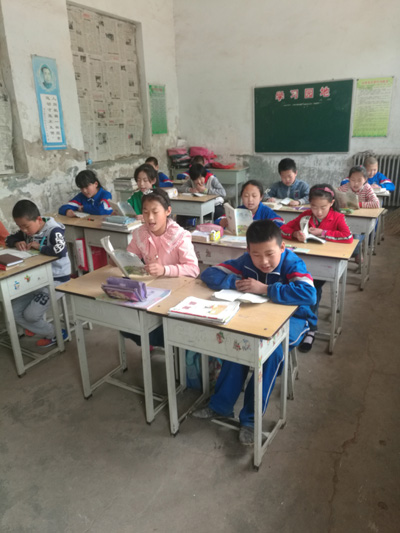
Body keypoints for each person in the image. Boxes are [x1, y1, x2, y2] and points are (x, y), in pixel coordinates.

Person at [192, 219, 317, 445]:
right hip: (258, 318)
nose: (264, 262)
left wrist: (266, 289)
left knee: (270, 353)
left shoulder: (291, 263)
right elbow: (209, 274)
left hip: (295, 319)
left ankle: (250, 420)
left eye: (270, 254)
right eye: (257, 255)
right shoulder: (247, 261)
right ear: (248, 251)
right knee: (238, 344)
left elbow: (309, 294)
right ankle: (221, 406)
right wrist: (235, 282)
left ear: (282, 247)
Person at [123, 188, 199, 347]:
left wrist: (165, 270)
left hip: (176, 293)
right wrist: (119, 259)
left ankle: (169, 347)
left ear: (167, 211)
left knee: (163, 331)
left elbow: (193, 269)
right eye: (145, 212)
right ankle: (153, 341)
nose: (150, 218)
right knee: (126, 322)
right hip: (152, 291)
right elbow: (130, 255)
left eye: (155, 212)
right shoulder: (141, 233)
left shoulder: (180, 236)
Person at [281, 184, 353, 352]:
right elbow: (283, 229)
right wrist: (295, 234)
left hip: (324, 264)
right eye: (314, 207)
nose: (318, 212)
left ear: (331, 203)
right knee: (292, 284)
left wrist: (323, 233)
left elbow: (348, 237)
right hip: (304, 262)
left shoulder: (337, 217)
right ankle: (297, 322)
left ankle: (311, 329)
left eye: (323, 207)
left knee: (311, 290)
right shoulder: (306, 215)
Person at [6, 200, 70, 347]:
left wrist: (40, 247)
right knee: (13, 311)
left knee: (30, 315)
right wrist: (16, 242)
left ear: (39, 219)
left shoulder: (53, 230)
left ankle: (56, 333)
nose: (24, 231)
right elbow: (9, 238)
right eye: (20, 227)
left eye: (26, 226)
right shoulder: (27, 230)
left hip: (56, 280)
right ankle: (37, 327)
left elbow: (60, 250)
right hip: (36, 279)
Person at [338, 166, 379, 263]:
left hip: (361, 221)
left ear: (365, 180)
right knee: (343, 233)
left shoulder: (367, 188)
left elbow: (376, 203)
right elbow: (334, 197)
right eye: (353, 180)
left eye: (359, 180)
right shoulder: (345, 187)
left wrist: (358, 204)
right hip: (346, 219)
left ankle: (355, 253)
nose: (355, 183)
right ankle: (349, 253)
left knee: (356, 235)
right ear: (349, 179)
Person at [218, 180, 284, 228]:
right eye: (246, 196)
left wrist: (266, 226)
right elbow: (219, 219)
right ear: (242, 197)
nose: (250, 200)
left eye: (254, 196)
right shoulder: (238, 210)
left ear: (261, 197)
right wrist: (221, 221)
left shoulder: (266, 211)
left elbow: (280, 222)